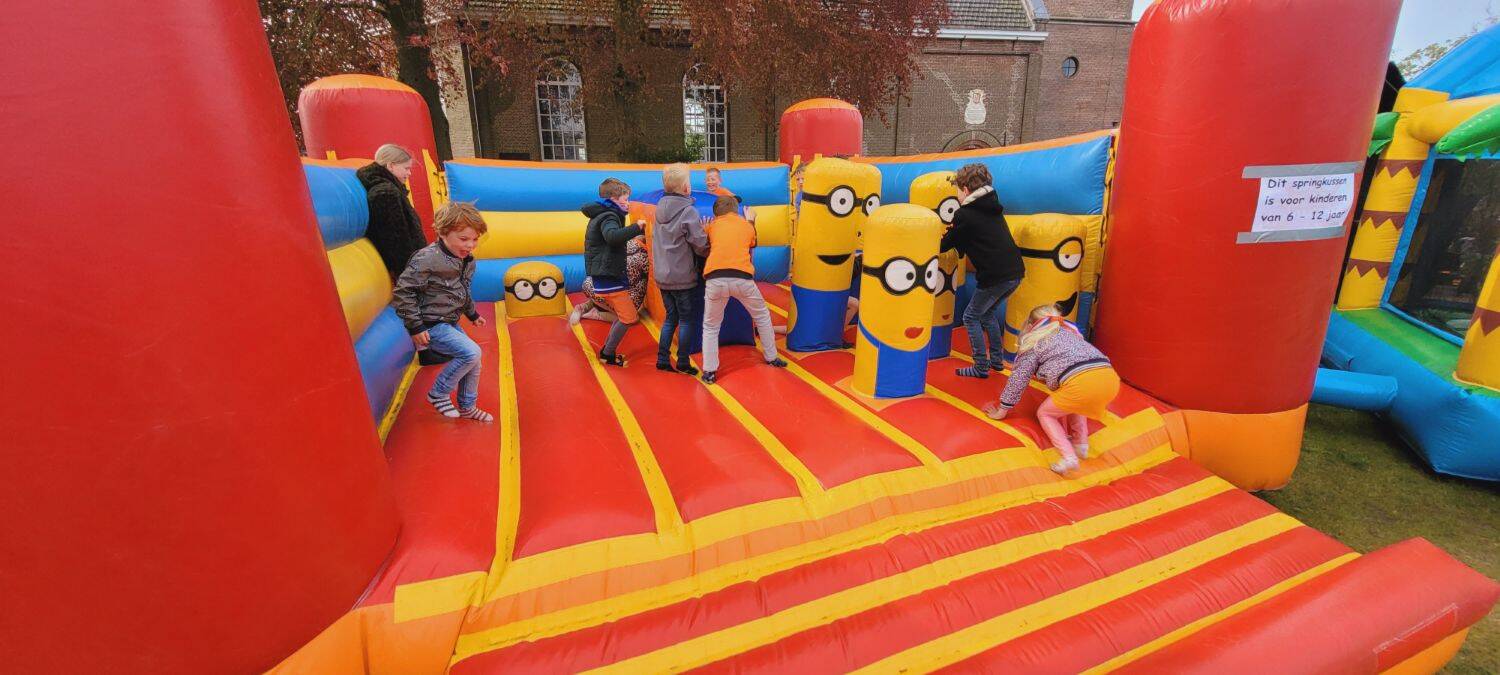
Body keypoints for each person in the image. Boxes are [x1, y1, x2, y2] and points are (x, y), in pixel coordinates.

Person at [984, 304, 1120, 474]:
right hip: (1110, 378)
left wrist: (1003, 409)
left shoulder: (1035, 343)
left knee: (1045, 413)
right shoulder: (1070, 333)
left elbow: (1019, 378)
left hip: (1081, 382)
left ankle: (1069, 457)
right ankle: (1081, 444)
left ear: (1030, 325)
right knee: (1076, 401)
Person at [392, 202, 492, 422]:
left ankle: (467, 406)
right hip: (429, 323)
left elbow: (462, 290)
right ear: (443, 233)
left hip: (448, 321)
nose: (470, 245)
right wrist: (415, 326)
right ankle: (438, 392)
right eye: (463, 239)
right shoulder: (427, 258)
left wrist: (472, 314)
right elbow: (404, 291)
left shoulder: (466, 260)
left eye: (475, 239)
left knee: (474, 361)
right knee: (471, 353)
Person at [941, 163, 1024, 379]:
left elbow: (946, 244)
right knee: (986, 314)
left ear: (965, 189)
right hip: (1014, 272)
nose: (957, 196)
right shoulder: (991, 206)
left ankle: (980, 366)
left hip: (995, 276)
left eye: (958, 191)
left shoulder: (965, 214)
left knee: (970, 317)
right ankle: (996, 360)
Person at [701, 195, 787, 383]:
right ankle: (772, 357)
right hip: (742, 278)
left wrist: (705, 228)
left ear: (716, 214)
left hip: (715, 278)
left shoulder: (713, 226)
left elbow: (706, 240)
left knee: (711, 326)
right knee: (762, 316)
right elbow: (752, 243)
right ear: (736, 210)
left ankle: (709, 371)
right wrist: (751, 220)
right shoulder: (745, 225)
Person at [578, 178, 644, 366]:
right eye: (625, 198)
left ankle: (608, 350)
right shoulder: (609, 215)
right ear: (614, 198)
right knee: (629, 318)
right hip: (608, 276)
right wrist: (636, 227)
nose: (628, 202)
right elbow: (612, 237)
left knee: (624, 316)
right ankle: (607, 353)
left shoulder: (604, 213)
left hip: (607, 274)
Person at [653, 163, 710, 375]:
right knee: (686, 320)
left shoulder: (659, 209)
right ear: (686, 188)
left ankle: (662, 358)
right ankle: (683, 361)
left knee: (671, 318)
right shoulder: (688, 212)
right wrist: (707, 234)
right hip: (682, 276)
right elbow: (700, 244)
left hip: (663, 275)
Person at [358, 144, 428, 280]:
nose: (409, 173)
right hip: (409, 271)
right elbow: (396, 241)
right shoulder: (386, 193)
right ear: (391, 166)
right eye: (406, 168)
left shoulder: (390, 190)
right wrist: (413, 276)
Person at [572, 236, 647, 325]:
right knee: (631, 317)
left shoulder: (622, 243)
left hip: (592, 284)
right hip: (612, 292)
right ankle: (597, 314)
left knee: (604, 292)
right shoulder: (643, 255)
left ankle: (583, 307)